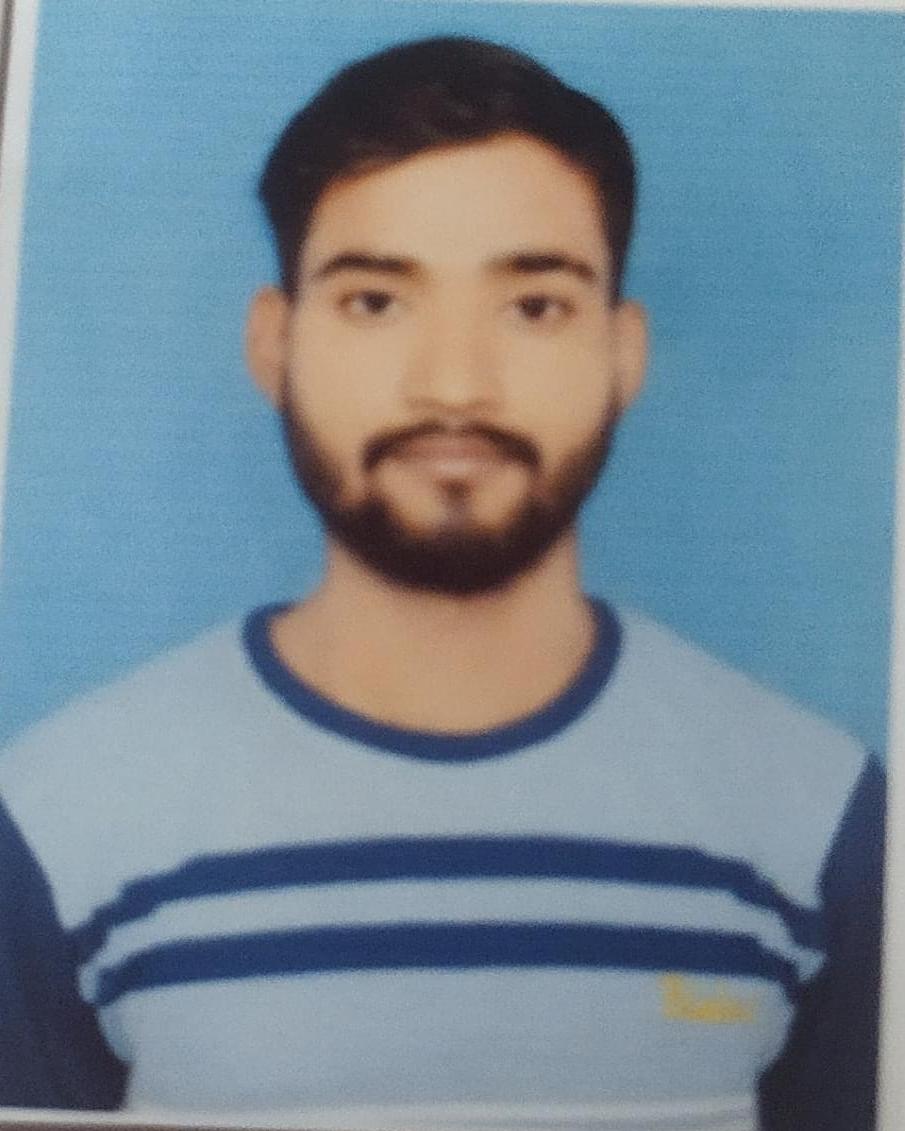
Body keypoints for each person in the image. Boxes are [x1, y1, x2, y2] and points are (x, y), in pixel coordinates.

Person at [0, 35, 884, 1131]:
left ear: (623, 353)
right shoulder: (57, 821)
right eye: (375, 301)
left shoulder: (820, 820)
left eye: (534, 306)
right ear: (274, 345)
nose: (454, 385)